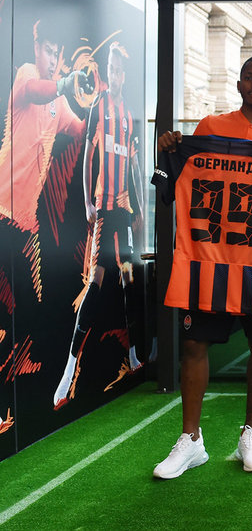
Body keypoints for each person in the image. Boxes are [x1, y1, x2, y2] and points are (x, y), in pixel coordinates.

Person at [151, 55, 252, 478]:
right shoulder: (209, 128)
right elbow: (176, 182)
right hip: (208, 258)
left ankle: (250, 433)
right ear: (238, 85)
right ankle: (191, 439)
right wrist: (171, 149)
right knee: (194, 344)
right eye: (249, 78)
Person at [53, 42, 144, 410]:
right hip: (105, 213)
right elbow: (89, 155)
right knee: (97, 283)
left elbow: (134, 167)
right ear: (107, 72)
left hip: (124, 214)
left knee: (130, 281)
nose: (115, 75)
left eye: (119, 70)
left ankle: (135, 356)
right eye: (111, 69)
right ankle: (68, 371)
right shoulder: (100, 108)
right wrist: (88, 203)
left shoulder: (128, 115)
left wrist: (140, 209)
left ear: (125, 74)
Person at [0, 19, 88, 311]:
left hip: (26, 221)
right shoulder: (27, 73)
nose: (53, 60)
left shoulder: (58, 102)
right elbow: (35, 91)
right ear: (37, 48)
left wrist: (98, 108)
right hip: (2, 209)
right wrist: (64, 84)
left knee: (28, 306)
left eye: (56, 53)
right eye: (48, 51)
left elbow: (79, 130)